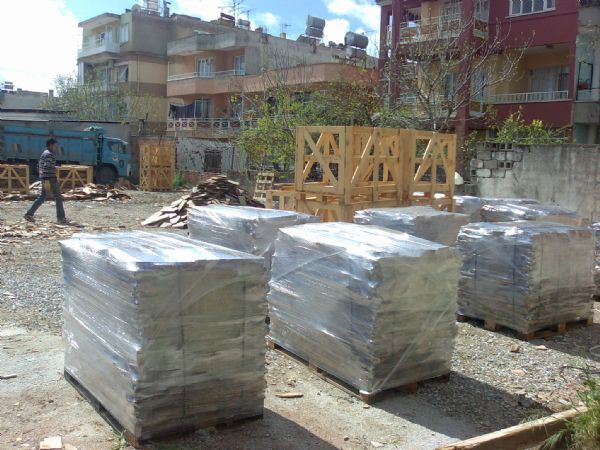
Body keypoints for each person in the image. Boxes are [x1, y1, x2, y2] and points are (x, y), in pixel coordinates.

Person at [24, 138, 68, 224]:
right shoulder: (49, 154)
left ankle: (29, 214)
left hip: (44, 178)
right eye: (55, 146)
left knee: (42, 197)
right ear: (50, 145)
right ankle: (61, 218)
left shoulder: (44, 153)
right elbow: (47, 166)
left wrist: (43, 177)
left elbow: (39, 167)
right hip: (50, 178)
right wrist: (55, 169)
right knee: (58, 197)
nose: (56, 147)